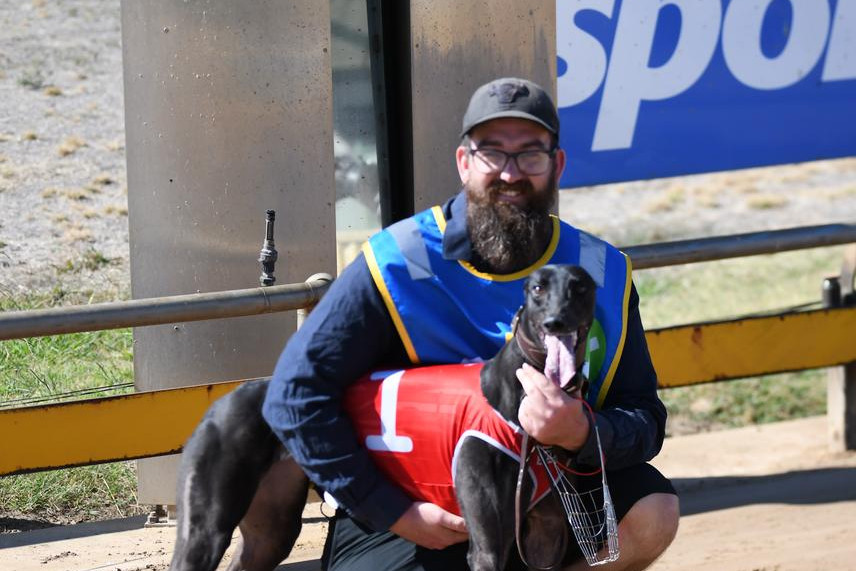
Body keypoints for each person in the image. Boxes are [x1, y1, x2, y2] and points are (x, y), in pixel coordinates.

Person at [262, 77, 679, 570]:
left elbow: (644, 417)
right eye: (492, 153)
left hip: (547, 491)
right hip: (418, 507)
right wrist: (394, 511)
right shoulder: (399, 262)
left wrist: (581, 431)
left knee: (652, 511)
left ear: (557, 166)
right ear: (464, 162)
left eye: (530, 154)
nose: (510, 172)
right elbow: (293, 395)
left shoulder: (599, 271)